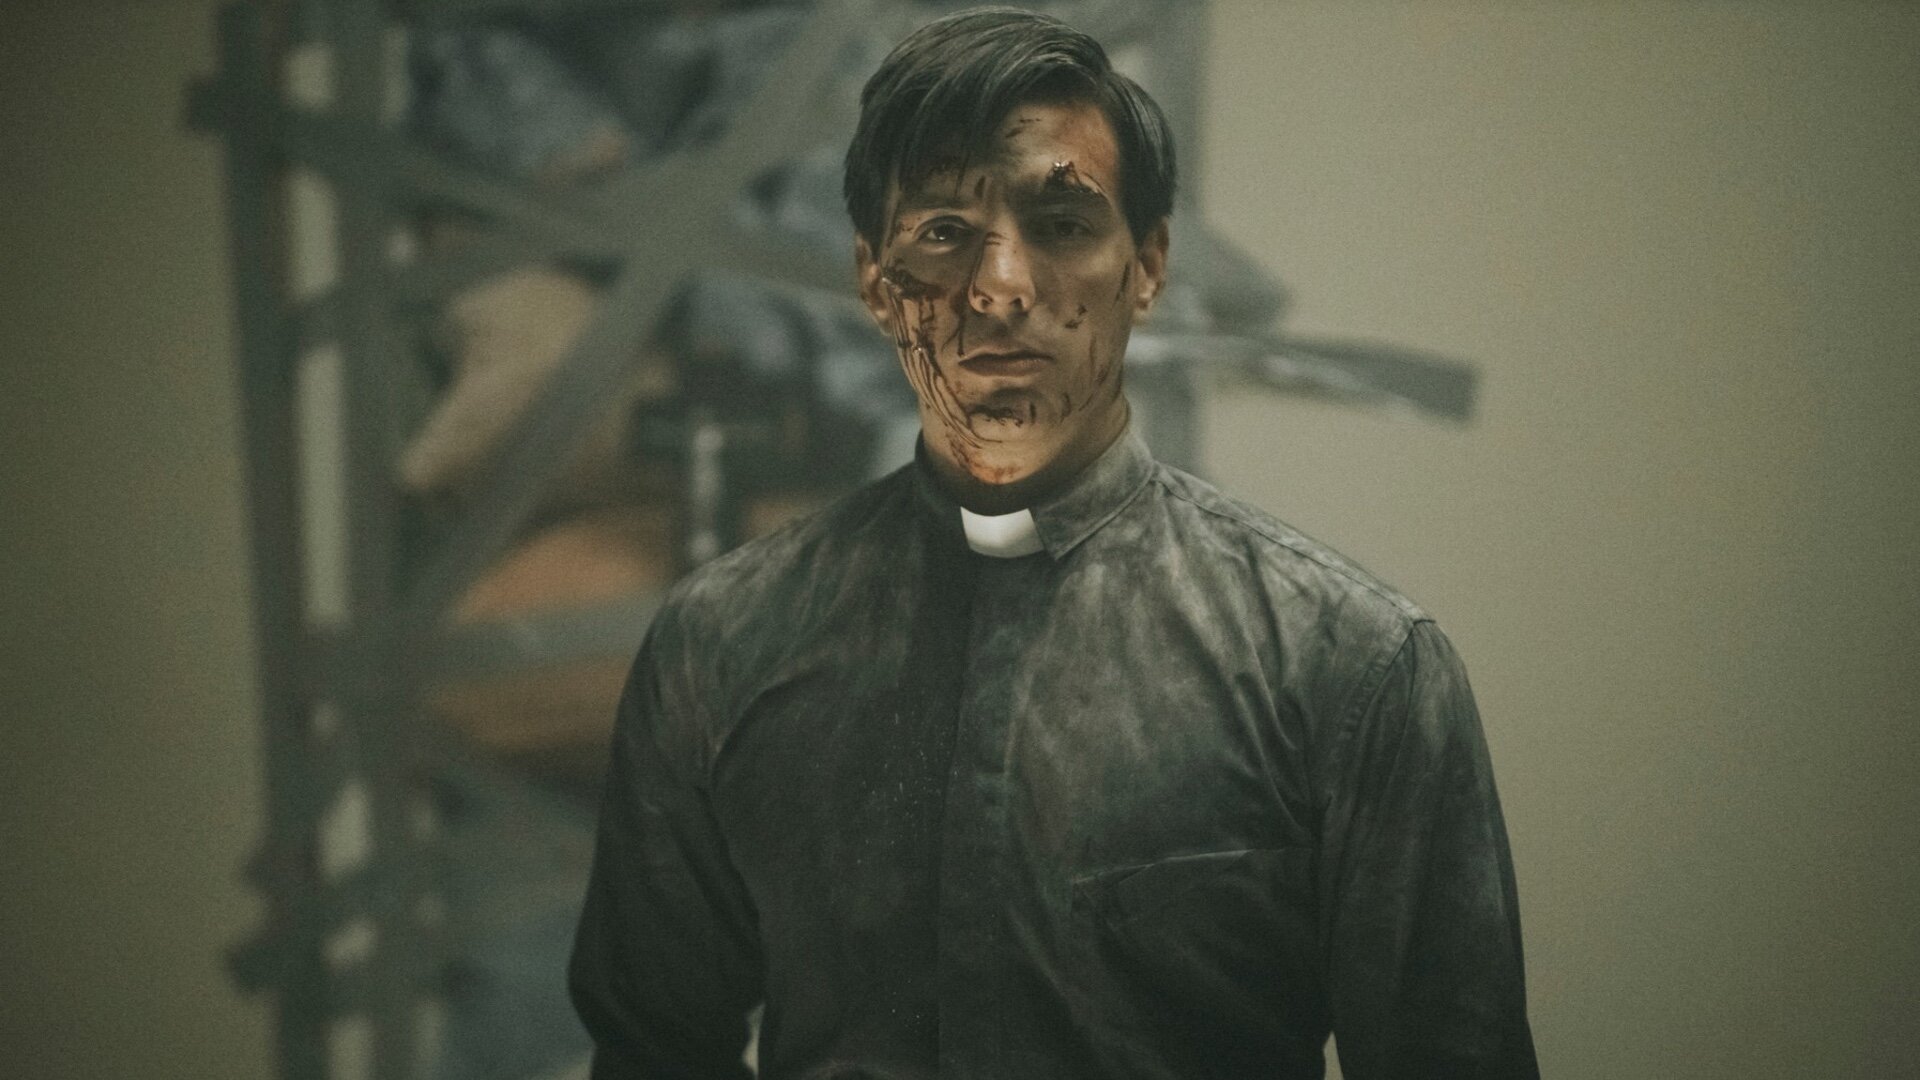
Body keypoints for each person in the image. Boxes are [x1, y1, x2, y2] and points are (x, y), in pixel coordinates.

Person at [569, 7, 1539, 1079]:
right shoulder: (721, 645)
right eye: (944, 233)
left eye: (1064, 225)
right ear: (875, 280)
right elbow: (652, 1051)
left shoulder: (1350, 668)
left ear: (1149, 266)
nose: (1001, 287)